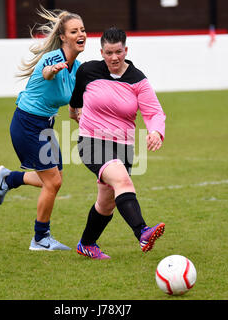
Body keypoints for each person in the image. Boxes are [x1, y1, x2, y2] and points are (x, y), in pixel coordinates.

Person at [0, 7, 86, 251]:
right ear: (64, 37)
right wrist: (52, 70)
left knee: (55, 179)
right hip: (27, 124)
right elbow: (46, 73)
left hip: (44, 125)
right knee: (52, 181)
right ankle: (40, 238)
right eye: (74, 31)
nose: (81, 34)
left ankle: (9, 178)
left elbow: (72, 102)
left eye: (83, 30)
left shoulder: (77, 67)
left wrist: (78, 115)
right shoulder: (54, 59)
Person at [69, 27, 166, 260]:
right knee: (122, 180)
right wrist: (76, 114)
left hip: (124, 147)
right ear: (101, 52)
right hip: (92, 142)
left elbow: (154, 112)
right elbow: (74, 102)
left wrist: (155, 132)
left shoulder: (138, 80)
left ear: (126, 50)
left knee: (106, 202)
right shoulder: (88, 70)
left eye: (118, 52)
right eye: (109, 52)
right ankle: (142, 231)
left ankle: (87, 244)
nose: (114, 58)